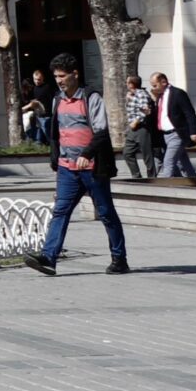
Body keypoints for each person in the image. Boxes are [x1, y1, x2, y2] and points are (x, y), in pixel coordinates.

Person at [23, 51, 127, 276]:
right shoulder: (57, 100)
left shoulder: (91, 98)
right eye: (56, 76)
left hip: (92, 168)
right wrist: (55, 158)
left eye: (62, 76)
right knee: (60, 211)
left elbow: (101, 132)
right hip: (67, 168)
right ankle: (48, 258)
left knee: (106, 212)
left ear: (75, 74)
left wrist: (87, 154)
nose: (59, 80)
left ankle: (119, 259)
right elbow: (55, 133)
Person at [151, 72, 196, 178]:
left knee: (168, 161)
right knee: (182, 163)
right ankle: (195, 181)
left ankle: (167, 188)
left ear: (163, 82)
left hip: (177, 133)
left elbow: (189, 112)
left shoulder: (177, 93)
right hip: (165, 135)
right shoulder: (160, 96)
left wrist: (194, 131)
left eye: (155, 85)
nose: (154, 88)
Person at [121, 75, 156, 180]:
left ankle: (152, 177)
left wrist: (136, 122)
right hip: (133, 129)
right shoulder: (134, 95)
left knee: (147, 155)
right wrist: (130, 98)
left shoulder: (142, 94)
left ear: (132, 84)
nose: (126, 84)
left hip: (141, 127)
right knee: (127, 152)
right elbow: (136, 106)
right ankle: (136, 176)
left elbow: (145, 110)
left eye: (127, 82)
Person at [22, 68, 54, 144]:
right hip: (38, 115)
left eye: (39, 79)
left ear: (42, 78)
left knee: (48, 133)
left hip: (47, 115)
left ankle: (52, 146)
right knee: (38, 135)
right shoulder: (34, 88)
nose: (37, 81)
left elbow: (52, 100)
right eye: (35, 79)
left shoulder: (47, 87)